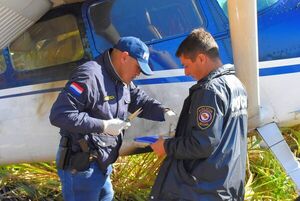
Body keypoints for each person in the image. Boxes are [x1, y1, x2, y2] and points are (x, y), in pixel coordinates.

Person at [49, 36, 175, 201]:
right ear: (124, 57)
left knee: (108, 196)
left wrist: (164, 112)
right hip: (81, 168)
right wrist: (103, 125)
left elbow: (139, 100)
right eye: (138, 67)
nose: (138, 73)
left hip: (101, 164)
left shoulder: (121, 79)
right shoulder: (90, 76)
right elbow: (60, 115)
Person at [150, 28, 248, 200]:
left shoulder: (209, 91)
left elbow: (203, 143)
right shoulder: (236, 85)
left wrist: (166, 146)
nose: (186, 72)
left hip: (204, 190)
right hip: (227, 186)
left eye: (186, 65)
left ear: (201, 58)